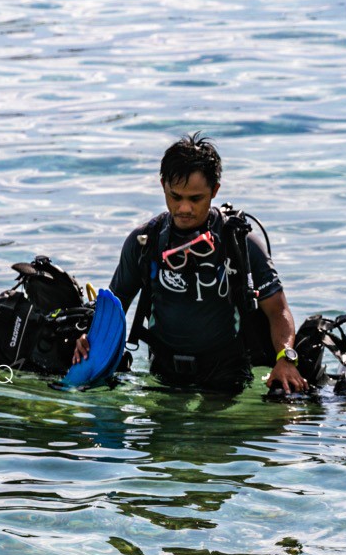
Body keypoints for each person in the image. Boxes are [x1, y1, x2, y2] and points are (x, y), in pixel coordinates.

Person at [73, 133, 307, 395]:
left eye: (195, 199)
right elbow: (114, 309)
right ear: (163, 185)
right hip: (163, 371)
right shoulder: (143, 244)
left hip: (227, 372)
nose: (184, 208)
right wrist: (89, 339)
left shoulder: (240, 243)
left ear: (215, 190)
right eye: (175, 196)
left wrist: (286, 359)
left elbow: (278, 310)